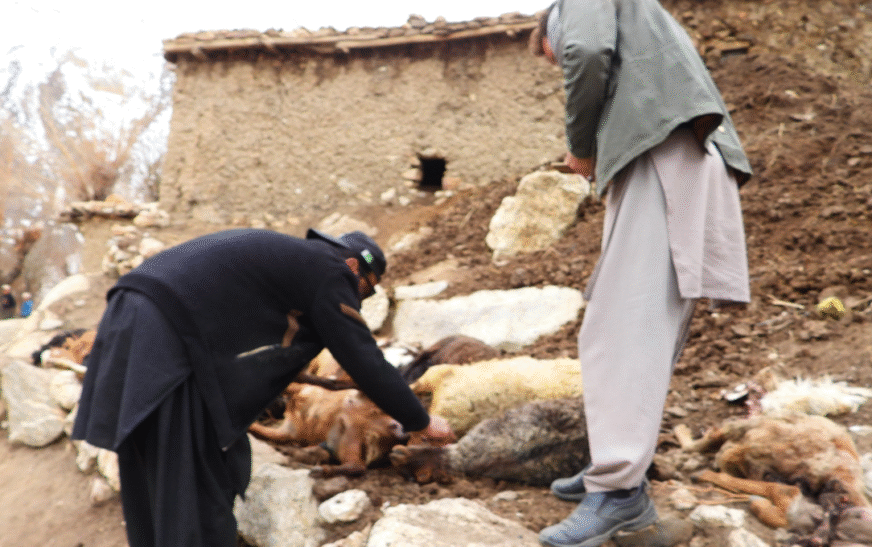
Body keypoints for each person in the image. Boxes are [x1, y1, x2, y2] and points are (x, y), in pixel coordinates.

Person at [72, 228, 454, 547]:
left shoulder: (286, 263)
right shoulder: (330, 270)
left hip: (130, 316)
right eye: (365, 292)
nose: (359, 300)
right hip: (164, 331)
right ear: (355, 266)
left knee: (152, 475)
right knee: (194, 488)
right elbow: (362, 356)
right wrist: (419, 419)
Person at [530, 2, 752, 546]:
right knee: (637, 319)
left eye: (548, 57)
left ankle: (620, 492)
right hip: (676, 152)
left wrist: (581, 147)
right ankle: (620, 465)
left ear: (548, 31)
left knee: (622, 325)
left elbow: (585, 51)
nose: (556, 65)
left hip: (665, 151)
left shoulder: (575, 8)